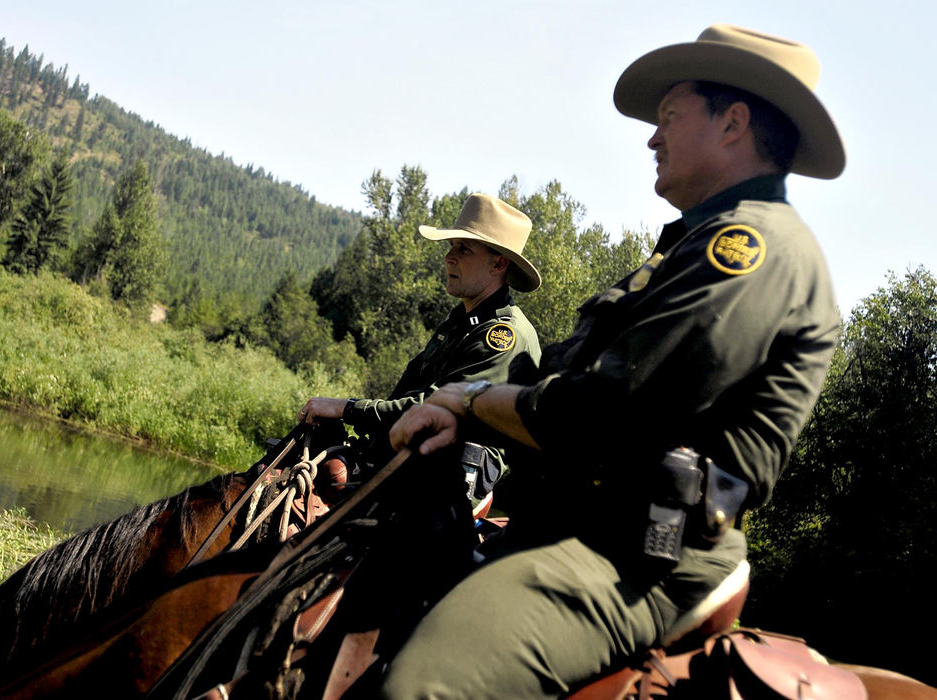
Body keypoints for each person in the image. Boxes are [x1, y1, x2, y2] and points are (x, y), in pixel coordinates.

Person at [381, 24, 844, 697]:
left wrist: (468, 402)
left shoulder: (751, 247)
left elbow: (604, 413)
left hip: (637, 556)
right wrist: (464, 415)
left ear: (732, 122)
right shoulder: (691, 245)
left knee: (427, 685)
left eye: (669, 117)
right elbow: (563, 378)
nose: (652, 138)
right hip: (578, 525)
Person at [297, 193, 542, 505]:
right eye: (451, 247)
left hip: (443, 481)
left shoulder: (504, 335)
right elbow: (404, 398)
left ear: (499, 263)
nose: (449, 257)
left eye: (463, 249)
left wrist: (348, 408)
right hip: (406, 458)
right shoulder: (459, 323)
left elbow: (434, 406)